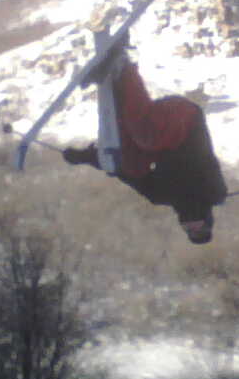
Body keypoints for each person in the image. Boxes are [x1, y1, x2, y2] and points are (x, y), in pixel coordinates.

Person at [63, 56, 227, 244]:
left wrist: (84, 157)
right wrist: (208, 201)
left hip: (160, 139)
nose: (190, 224)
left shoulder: (159, 195)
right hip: (184, 120)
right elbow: (210, 188)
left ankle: (113, 84)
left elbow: (123, 171)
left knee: (132, 164)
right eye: (197, 227)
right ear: (207, 220)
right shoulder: (212, 192)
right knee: (147, 136)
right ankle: (122, 67)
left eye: (188, 229)